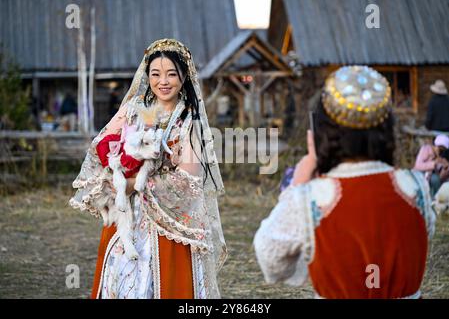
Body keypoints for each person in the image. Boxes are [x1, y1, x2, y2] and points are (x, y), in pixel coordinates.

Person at [254, 66, 438, 299]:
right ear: (386, 128)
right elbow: (419, 237)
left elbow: (272, 261)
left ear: (323, 132)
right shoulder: (416, 187)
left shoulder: (310, 197)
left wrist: (299, 180)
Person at [69, 39, 227, 299]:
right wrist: (120, 168)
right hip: (129, 216)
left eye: (171, 74)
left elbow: (188, 181)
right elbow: (101, 146)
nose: (163, 81)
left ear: (184, 76)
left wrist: (136, 184)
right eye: (155, 74)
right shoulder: (134, 111)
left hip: (167, 223)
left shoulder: (189, 122)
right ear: (147, 76)